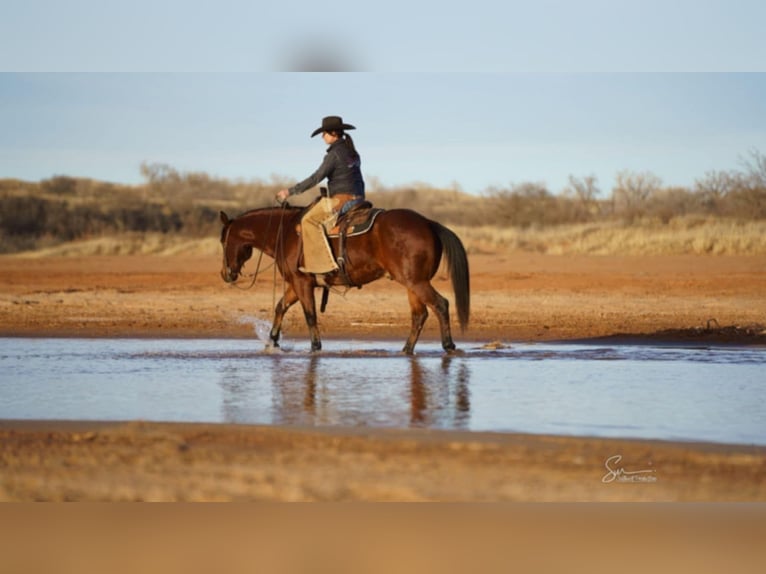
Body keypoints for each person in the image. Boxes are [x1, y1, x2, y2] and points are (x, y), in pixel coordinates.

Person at [276, 116, 366, 275]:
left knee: (308, 221)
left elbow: (316, 178)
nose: (322, 136)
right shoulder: (352, 152)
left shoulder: (334, 154)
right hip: (359, 197)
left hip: (342, 199)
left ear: (333, 133)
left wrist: (289, 191)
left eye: (324, 133)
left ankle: (324, 266)